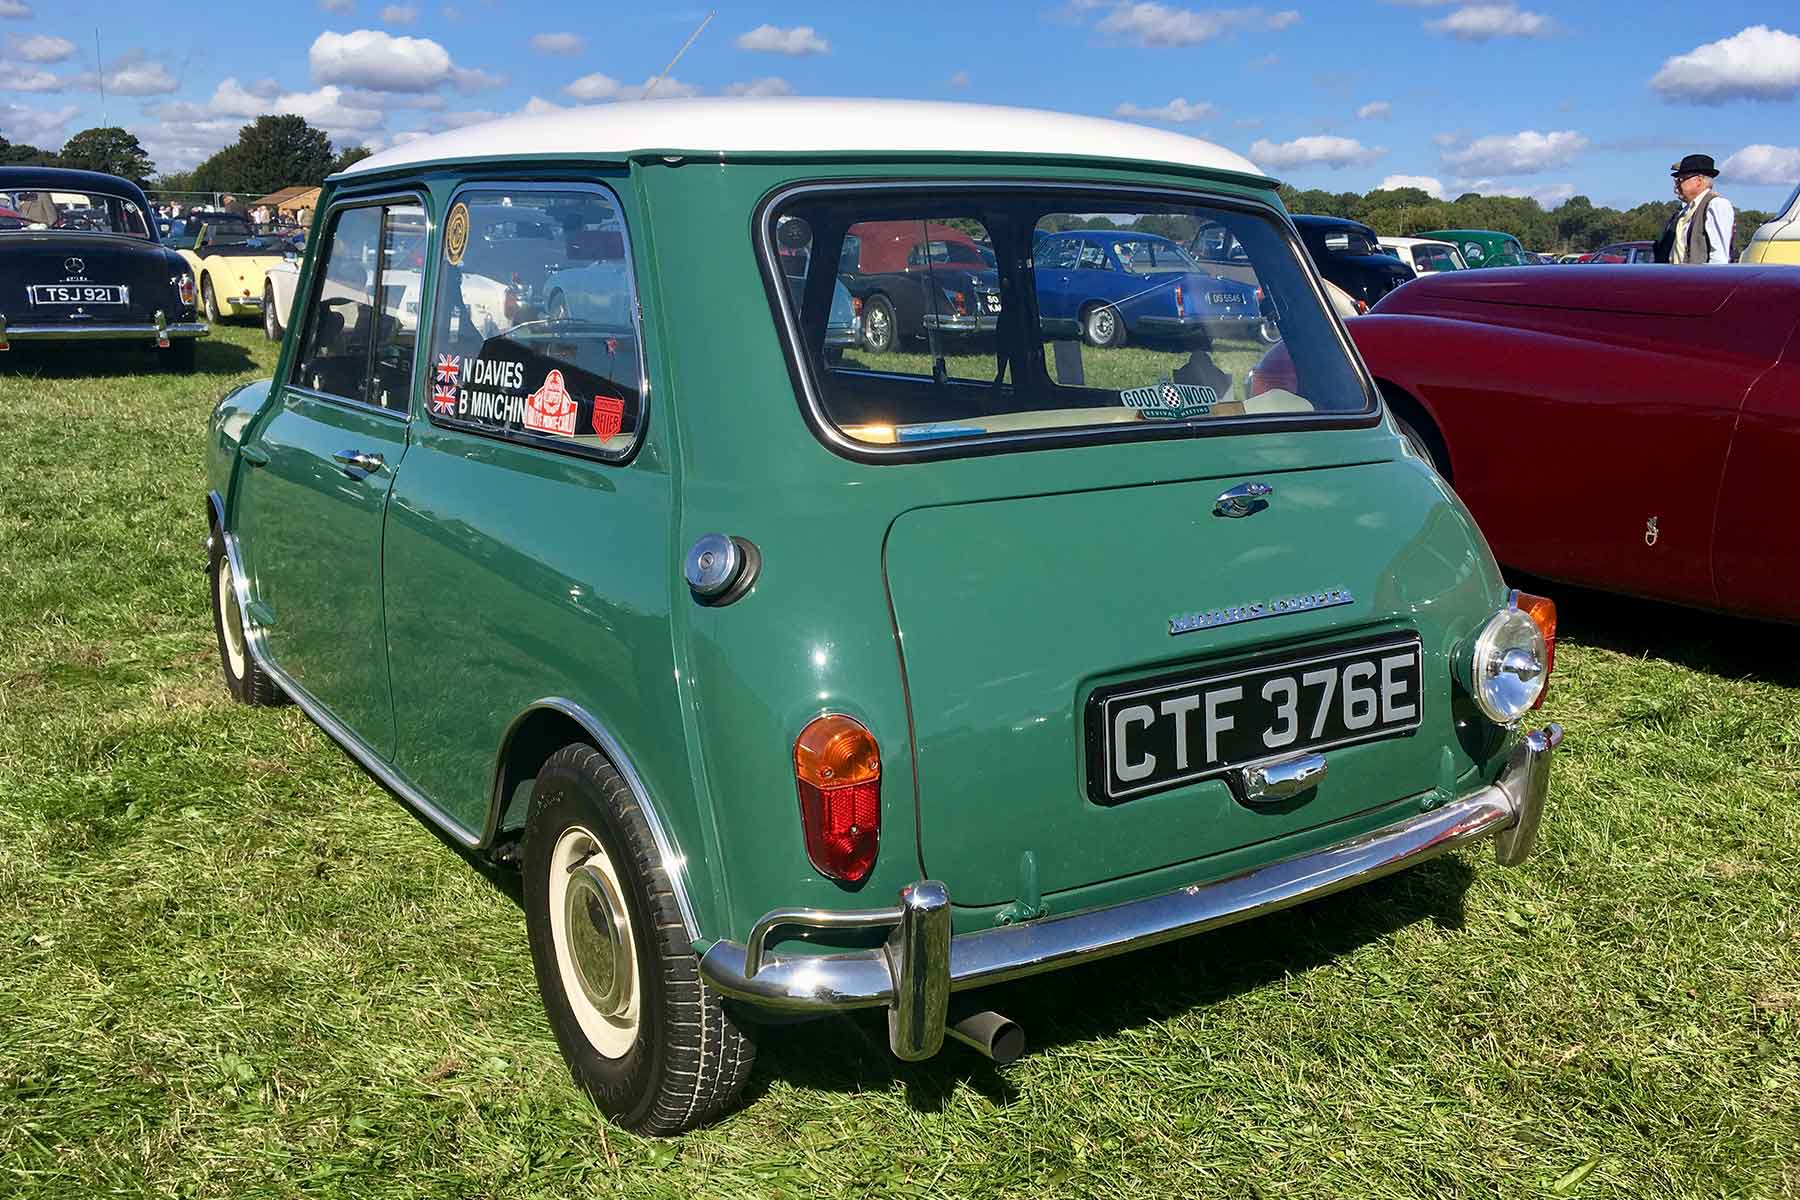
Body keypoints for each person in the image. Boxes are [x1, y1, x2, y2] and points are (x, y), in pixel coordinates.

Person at [1655, 154, 1735, 264]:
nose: (1677, 185)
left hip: (1700, 279)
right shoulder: (1685, 211)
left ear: (1699, 180)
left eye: (1681, 179)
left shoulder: (1716, 204)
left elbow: (1719, 257)